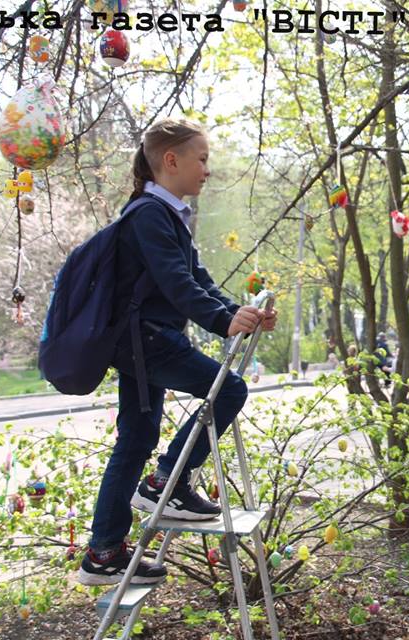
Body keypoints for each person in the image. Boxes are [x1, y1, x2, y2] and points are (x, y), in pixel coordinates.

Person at [79, 119, 278, 587]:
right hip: (146, 341)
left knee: (135, 440)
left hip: (144, 343)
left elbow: (199, 279)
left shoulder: (168, 214)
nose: (207, 170)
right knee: (228, 390)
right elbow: (176, 283)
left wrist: (239, 311)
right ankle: (165, 482)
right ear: (171, 161)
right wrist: (223, 321)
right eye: (202, 159)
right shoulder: (150, 214)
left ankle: (104, 552)